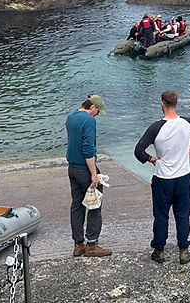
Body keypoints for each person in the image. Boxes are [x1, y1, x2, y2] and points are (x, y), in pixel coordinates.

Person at [133, 90, 190, 264]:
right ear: (176, 103)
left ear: (162, 104)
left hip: (162, 178)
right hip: (183, 177)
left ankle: (159, 251)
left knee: (161, 215)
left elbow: (138, 152)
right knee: (182, 215)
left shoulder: (156, 127)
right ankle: (183, 251)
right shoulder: (187, 124)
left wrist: (151, 159)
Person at [66, 94, 112, 257]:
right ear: (92, 107)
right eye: (97, 112)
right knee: (95, 204)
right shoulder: (89, 120)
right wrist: (94, 174)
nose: (97, 115)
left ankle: (78, 244)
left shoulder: (71, 116)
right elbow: (88, 149)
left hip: (72, 168)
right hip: (85, 169)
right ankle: (92, 244)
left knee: (77, 205)